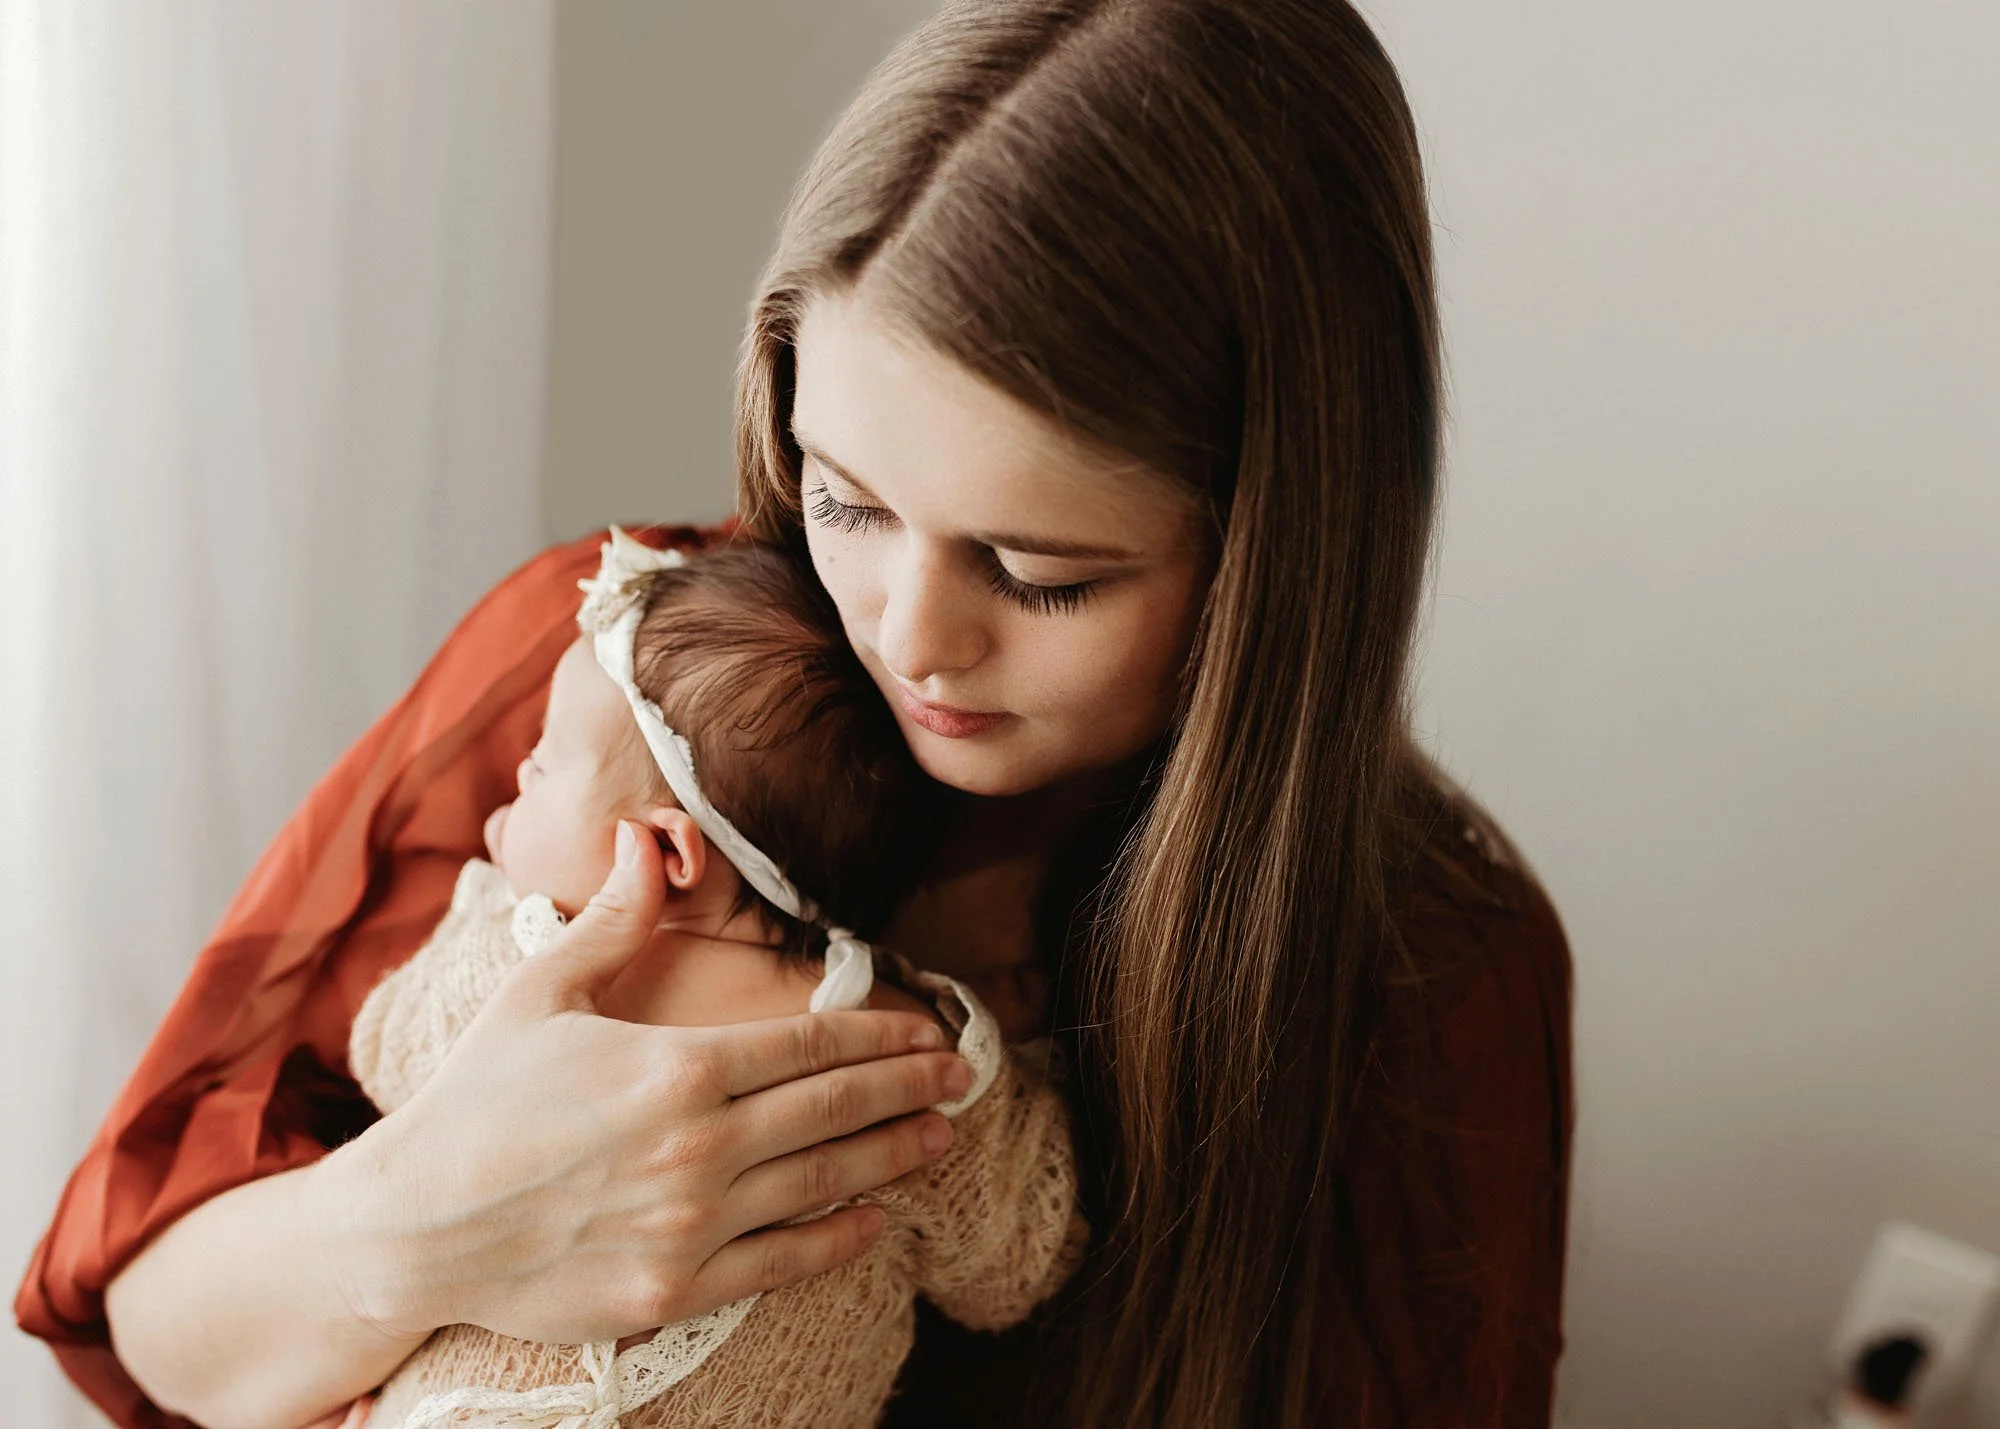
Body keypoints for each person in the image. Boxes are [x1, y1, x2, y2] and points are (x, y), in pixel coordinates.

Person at [17, 2, 1574, 1426]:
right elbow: (147, 1322)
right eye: (847, 500)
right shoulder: (615, 687)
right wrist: (433, 1222)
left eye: (1036, 577)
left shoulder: (1434, 972)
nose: (907, 638)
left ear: (1275, 561)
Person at [348, 533, 1084, 1428]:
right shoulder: (908, 1059)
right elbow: (1020, 1258)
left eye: (542, 765)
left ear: (661, 852)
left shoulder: (531, 972)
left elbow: (387, 1047)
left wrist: (481, 914)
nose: (518, 775)